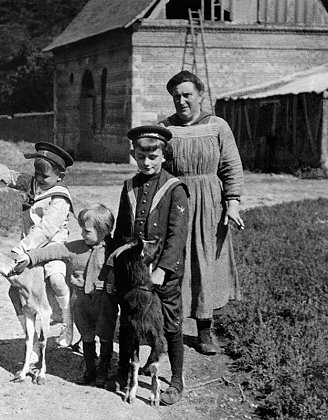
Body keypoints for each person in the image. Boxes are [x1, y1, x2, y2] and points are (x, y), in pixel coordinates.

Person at [160, 70, 245, 355]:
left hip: (210, 202)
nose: (181, 101)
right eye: (176, 96)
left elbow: (231, 166)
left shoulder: (218, 126)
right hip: (177, 202)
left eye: (187, 95)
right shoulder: (164, 128)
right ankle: (168, 327)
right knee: (175, 260)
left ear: (200, 95)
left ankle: (205, 329)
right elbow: (155, 168)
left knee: (206, 262)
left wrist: (232, 202)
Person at [112, 125, 189, 405]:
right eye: (141, 156)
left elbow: (177, 235)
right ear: (134, 155)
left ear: (164, 156)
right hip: (133, 271)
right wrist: (112, 265)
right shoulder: (128, 187)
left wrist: (162, 270)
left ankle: (177, 379)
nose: (146, 162)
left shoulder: (175, 189)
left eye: (153, 157)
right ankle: (124, 368)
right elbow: (121, 232)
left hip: (162, 270)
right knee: (130, 318)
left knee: (169, 321)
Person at [15, 204, 117, 387]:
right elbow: (53, 251)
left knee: (105, 335)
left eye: (87, 231)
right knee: (86, 333)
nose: (83, 235)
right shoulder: (76, 248)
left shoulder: (113, 250)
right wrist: (30, 257)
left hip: (104, 300)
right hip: (80, 300)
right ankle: (90, 371)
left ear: (103, 231)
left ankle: (103, 371)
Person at [0, 142, 75, 347]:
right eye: (37, 174)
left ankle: (67, 322)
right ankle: (30, 336)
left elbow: (46, 229)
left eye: (45, 177)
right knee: (14, 289)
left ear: (60, 177)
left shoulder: (60, 197)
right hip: (29, 245)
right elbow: (9, 176)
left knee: (56, 280)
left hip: (52, 245)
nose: (39, 180)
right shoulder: (33, 183)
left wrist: (22, 247)